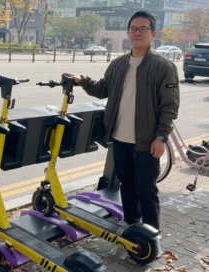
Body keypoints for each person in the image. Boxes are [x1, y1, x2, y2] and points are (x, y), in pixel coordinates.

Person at [62, 10, 179, 252]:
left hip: (148, 141)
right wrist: (82, 80)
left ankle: (151, 235)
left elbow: (170, 106)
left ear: (153, 34)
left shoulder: (163, 66)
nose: (138, 32)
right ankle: (131, 225)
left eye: (143, 28)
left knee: (147, 188)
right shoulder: (118, 64)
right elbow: (103, 89)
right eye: (133, 28)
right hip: (119, 137)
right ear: (127, 33)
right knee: (127, 184)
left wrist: (161, 137)